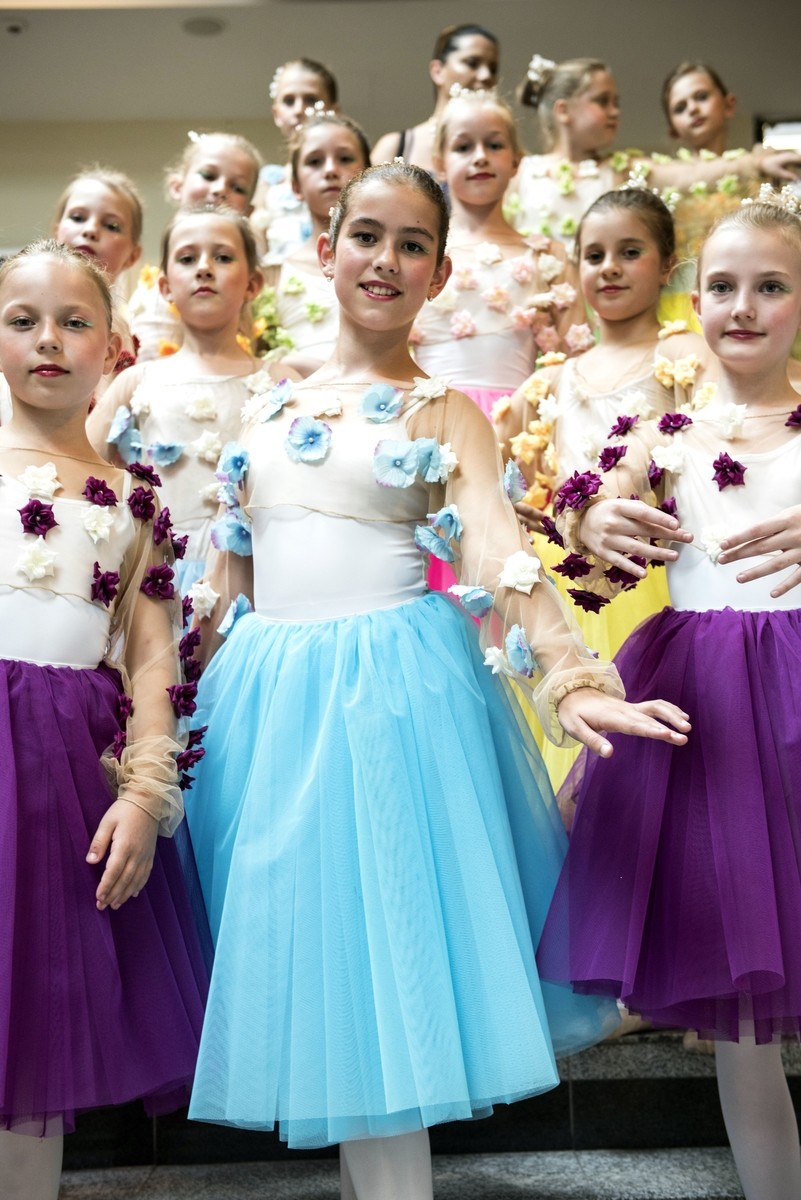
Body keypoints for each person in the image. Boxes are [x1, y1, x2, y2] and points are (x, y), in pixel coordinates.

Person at [183, 161, 689, 1200]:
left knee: (389, 973)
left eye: (412, 244)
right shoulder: (266, 405)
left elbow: (499, 549)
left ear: (440, 273)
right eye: (366, 236)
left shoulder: (445, 412)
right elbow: (225, 582)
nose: (386, 260)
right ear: (325, 250)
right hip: (267, 711)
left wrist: (570, 676)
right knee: (321, 974)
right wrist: (147, 716)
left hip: (387, 706)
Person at [537, 192, 801, 1200]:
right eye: (723, 286)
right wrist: (593, 522)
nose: (744, 306)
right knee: (745, 1028)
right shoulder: (665, 434)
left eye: (770, 286)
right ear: (694, 300)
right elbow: (585, 536)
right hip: (711, 718)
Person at [0, 240, 208, 1200]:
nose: (48, 339)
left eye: (74, 321)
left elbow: (155, 659)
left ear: (116, 348)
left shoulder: (135, 503)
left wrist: (144, 792)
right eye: (22, 321)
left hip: (58, 781)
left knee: (37, 1025)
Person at [495, 186, 709, 786]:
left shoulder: (685, 353)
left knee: (651, 762)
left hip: (652, 579)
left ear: (667, 266)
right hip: (564, 585)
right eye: (594, 255)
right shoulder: (553, 378)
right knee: (569, 763)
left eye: (630, 252)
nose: (609, 267)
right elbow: (495, 466)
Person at [89, 205, 286, 593]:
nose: (204, 268)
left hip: (255, 575)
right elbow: (82, 462)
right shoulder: (137, 381)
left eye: (223, 257)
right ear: (165, 286)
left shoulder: (280, 381)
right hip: (159, 575)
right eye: (187, 258)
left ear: (253, 283)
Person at [508, 55, 801, 254]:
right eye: (602, 101)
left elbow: (689, 173)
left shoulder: (622, 168)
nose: (615, 111)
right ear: (563, 110)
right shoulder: (520, 172)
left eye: (616, 102)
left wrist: (754, 162)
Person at [412, 88, 585, 417]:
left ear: (516, 160)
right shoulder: (418, 252)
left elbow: (575, 365)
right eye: (464, 147)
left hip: (516, 424)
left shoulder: (549, 257)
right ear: (440, 163)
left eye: (494, 145)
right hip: (429, 419)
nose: (480, 157)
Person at [127, 131, 262, 362]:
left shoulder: (244, 286)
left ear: (248, 211)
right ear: (177, 186)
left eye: (238, 187)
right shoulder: (151, 289)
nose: (220, 189)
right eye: (209, 175)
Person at [265, 112, 370, 377]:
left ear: (369, 174)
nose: (331, 170)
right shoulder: (274, 275)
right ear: (295, 186)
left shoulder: (390, 264)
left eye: (345, 158)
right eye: (314, 161)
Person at [371, 24, 499, 172]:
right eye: (472, 63)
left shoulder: (505, 150)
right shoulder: (394, 148)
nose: (486, 76)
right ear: (437, 71)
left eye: (493, 69)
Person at [250, 58, 340, 265]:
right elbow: (258, 244)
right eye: (289, 101)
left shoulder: (345, 173)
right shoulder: (269, 180)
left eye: (311, 99)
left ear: (333, 110)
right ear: (276, 113)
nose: (299, 109)